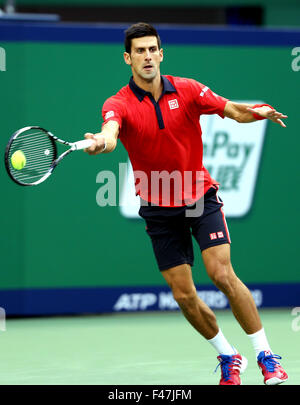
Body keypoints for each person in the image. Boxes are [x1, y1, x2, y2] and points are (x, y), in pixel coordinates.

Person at [84, 22, 288, 385]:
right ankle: (228, 355)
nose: (147, 57)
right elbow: (111, 133)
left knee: (222, 274)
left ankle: (266, 357)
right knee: (184, 295)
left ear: (161, 53)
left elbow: (232, 110)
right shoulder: (118, 103)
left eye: (152, 49)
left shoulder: (189, 90)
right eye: (139, 51)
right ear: (127, 59)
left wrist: (259, 111)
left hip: (199, 197)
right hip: (158, 208)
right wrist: (101, 141)